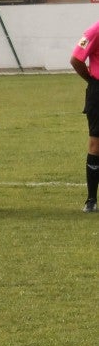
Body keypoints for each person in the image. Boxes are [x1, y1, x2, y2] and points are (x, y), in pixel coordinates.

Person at [69, 17, 99, 212]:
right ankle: (91, 200)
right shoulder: (95, 30)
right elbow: (76, 59)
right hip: (98, 90)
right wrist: (91, 80)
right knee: (96, 143)